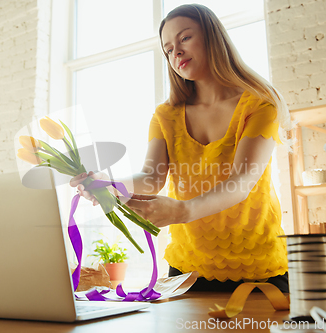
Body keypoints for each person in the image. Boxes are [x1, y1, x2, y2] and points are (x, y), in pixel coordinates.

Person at [71, 4, 290, 292]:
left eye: (185, 38)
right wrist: (110, 184)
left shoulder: (260, 105)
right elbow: (152, 178)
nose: (176, 52)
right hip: (187, 270)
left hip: (259, 269)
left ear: (213, 38)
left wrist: (182, 211)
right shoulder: (166, 115)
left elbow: (241, 182)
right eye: (168, 49)